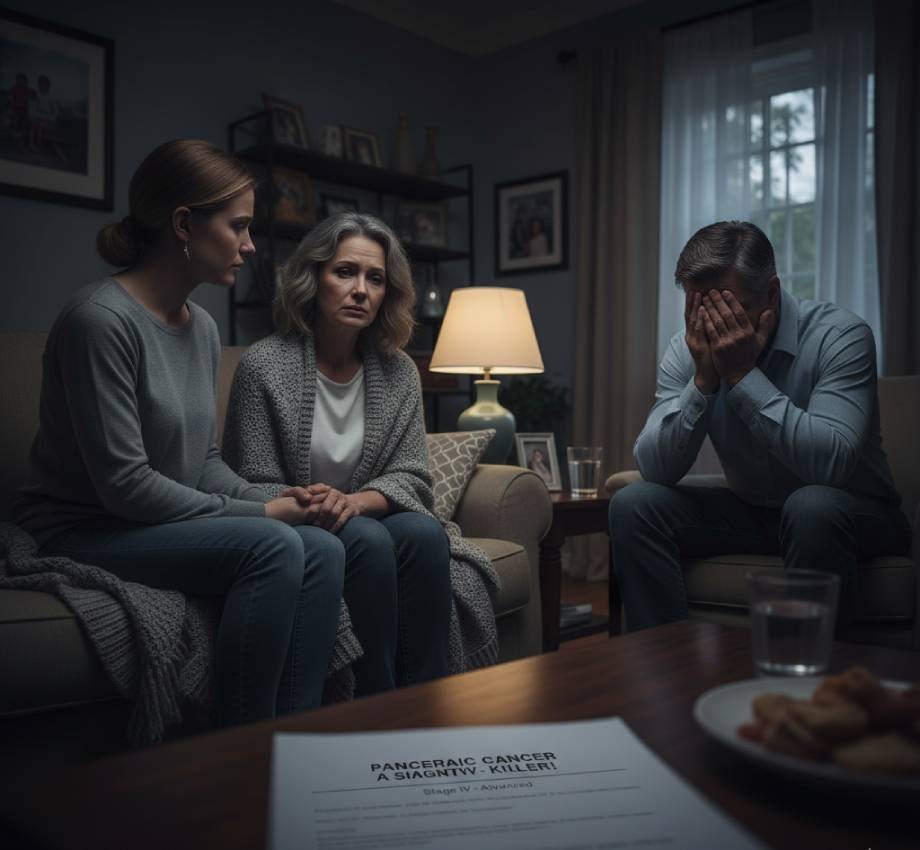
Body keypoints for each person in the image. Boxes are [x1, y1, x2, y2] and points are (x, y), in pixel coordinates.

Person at [14, 139, 343, 727]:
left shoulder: (203, 326)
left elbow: (202, 461)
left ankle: (295, 743)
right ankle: (239, 750)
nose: (249, 245)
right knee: (273, 547)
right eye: (238, 227)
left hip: (148, 523)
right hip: (83, 530)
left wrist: (273, 498)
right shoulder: (99, 321)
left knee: (320, 545)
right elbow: (126, 488)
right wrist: (263, 519)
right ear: (184, 224)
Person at [223, 212, 498, 696]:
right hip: (300, 520)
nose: (361, 290)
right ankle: (376, 700)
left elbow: (412, 477)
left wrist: (353, 502)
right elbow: (251, 480)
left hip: (367, 512)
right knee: (369, 541)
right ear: (314, 277)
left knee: (424, 532)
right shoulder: (263, 365)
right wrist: (324, 504)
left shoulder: (399, 372)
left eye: (376, 279)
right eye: (345, 272)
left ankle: (429, 699)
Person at [609, 220, 912, 631]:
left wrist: (742, 377)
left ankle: (802, 681)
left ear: (770, 293)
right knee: (634, 503)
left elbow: (832, 466)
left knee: (812, 505)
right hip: (754, 512)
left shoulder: (840, 335)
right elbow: (656, 468)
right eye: (702, 310)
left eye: (733, 309)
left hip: (853, 512)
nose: (716, 327)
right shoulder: (688, 347)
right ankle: (663, 666)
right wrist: (703, 382)